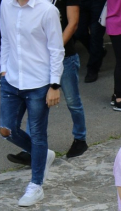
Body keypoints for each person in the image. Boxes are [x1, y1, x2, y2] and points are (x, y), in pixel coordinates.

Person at [6, 0, 89, 166]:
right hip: (39, 60)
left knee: (73, 102)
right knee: (34, 101)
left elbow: (72, 24)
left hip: (65, 58)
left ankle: (80, 139)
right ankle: (31, 150)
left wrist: (53, 48)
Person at [0, 0, 63, 207]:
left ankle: (36, 185)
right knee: (6, 129)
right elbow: (6, 40)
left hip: (39, 83)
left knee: (37, 133)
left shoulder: (47, 10)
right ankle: (42, 155)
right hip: (11, 80)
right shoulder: (5, 5)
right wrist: (3, 70)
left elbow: (56, 49)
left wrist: (54, 84)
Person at [74, 0, 107, 83]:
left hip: (98, 3)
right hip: (80, 2)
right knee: (79, 32)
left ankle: (93, 68)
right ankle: (98, 52)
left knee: (96, 34)